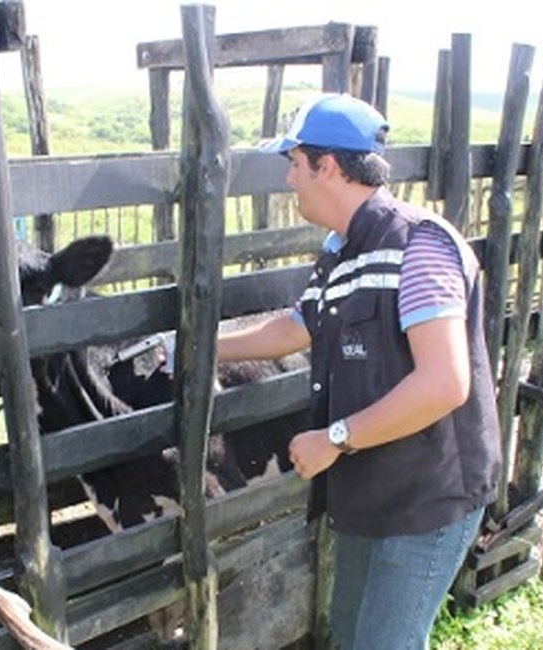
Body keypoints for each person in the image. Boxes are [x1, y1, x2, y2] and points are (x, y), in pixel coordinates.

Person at [213, 93, 502, 649]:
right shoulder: (342, 251)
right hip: (370, 486)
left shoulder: (420, 245)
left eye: (295, 164)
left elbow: (444, 383)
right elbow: (296, 329)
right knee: (351, 633)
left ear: (328, 166)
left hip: (428, 494)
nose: (291, 180)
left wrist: (334, 439)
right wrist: (202, 350)